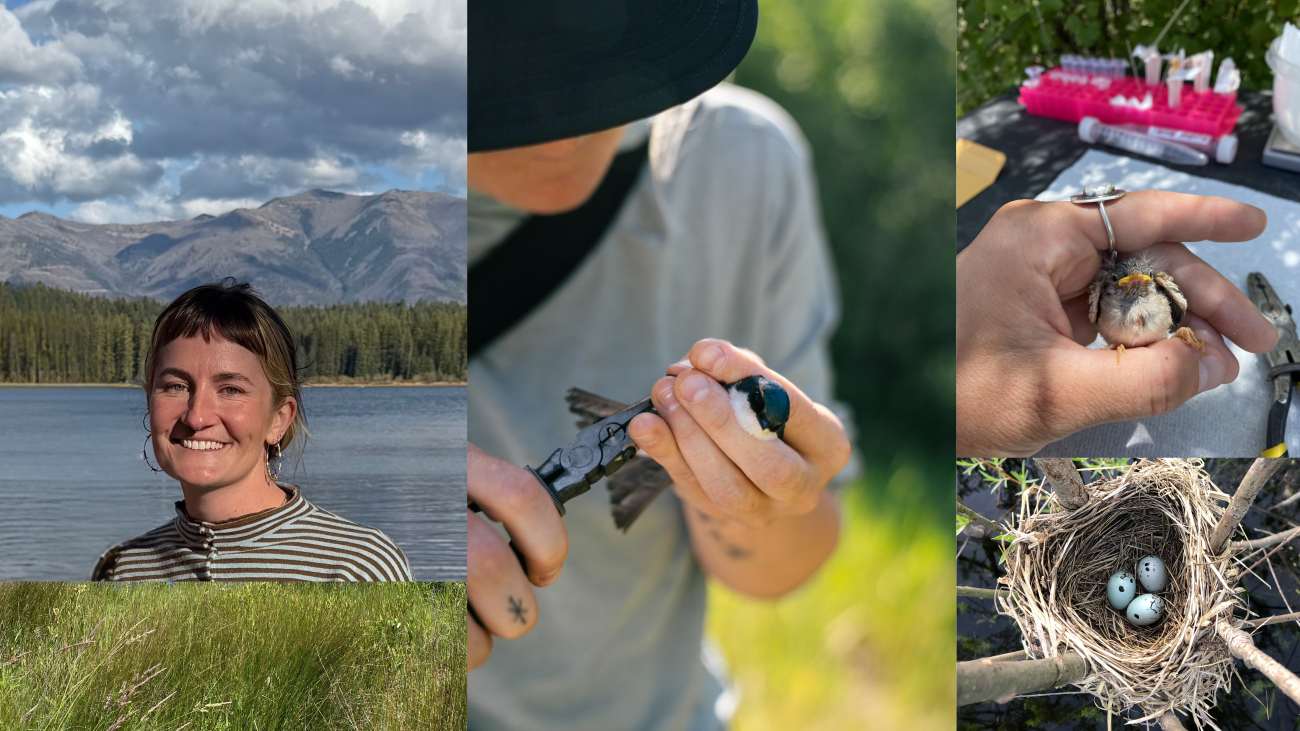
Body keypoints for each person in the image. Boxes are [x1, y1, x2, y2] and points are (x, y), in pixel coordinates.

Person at [467, 1, 853, 729]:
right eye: (507, 64)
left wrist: (761, 496)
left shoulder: (740, 161)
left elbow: (788, 561)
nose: (566, 110)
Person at [92, 279, 413, 582]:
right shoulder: (123, 568)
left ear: (278, 419)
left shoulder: (357, 566)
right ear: (149, 401)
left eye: (230, 389)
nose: (197, 416)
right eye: (176, 386)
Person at [956, 192, 1279, 456]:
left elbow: (1175, 306)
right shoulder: (1101, 293)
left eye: (1142, 278)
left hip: (1158, 335)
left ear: (1152, 281)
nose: (1133, 280)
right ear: (1110, 283)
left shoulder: (1161, 286)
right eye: (1122, 278)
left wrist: (1182, 338)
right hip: (1117, 341)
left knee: (1184, 332)